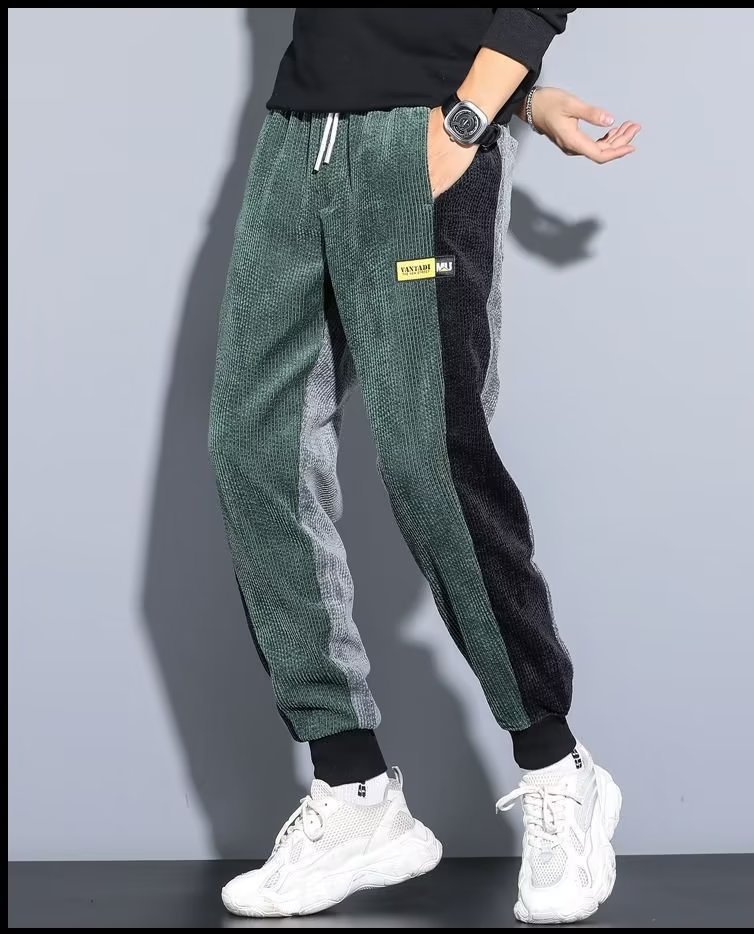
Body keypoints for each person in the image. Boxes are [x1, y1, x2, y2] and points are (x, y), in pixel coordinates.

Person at [209, 8, 639, 924]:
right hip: (297, 136)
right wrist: (524, 98)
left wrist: (475, 114)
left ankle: (558, 769)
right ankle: (353, 789)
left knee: (430, 459)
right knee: (255, 453)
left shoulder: (451, 128)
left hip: (427, 137)